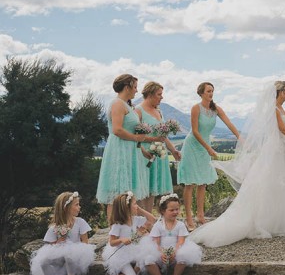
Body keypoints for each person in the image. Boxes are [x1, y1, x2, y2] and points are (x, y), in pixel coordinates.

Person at [188, 81, 285, 247]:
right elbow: (283, 130)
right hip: (275, 149)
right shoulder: (273, 109)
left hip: (283, 148)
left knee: (281, 184)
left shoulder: (281, 108)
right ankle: (268, 221)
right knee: (270, 183)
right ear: (280, 92)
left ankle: (282, 219)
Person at [96, 74, 164, 220]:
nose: (136, 90)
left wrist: (143, 150)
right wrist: (136, 138)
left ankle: (127, 226)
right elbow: (117, 130)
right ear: (127, 87)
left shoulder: (127, 105)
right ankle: (113, 231)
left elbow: (133, 132)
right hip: (119, 150)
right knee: (116, 191)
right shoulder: (117, 104)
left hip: (130, 151)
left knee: (128, 192)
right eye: (134, 87)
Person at [177, 82, 240, 231]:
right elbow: (195, 131)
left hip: (205, 145)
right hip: (193, 145)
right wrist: (209, 148)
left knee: (203, 182)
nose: (211, 93)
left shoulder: (216, 109)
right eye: (208, 91)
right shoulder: (195, 108)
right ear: (201, 94)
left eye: (212, 91)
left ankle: (200, 215)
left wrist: (240, 136)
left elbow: (229, 123)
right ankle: (189, 218)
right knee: (190, 182)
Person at [30, 192, 95, 275]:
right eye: (76, 204)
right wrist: (60, 240)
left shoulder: (80, 222)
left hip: (77, 255)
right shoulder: (55, 226)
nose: (79, 207)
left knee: (69, 255)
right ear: (67, 208)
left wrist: (75, 249)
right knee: (42, 261)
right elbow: (50, 247)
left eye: (79, 204)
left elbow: (85, 243)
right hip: (60, 256)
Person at [136, 81, 181, 212]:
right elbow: (134, 136)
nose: (162, 97)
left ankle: (148, 219)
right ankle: (139, 220)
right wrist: (154, 139)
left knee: (152, 189)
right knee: (142, 187)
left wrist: (173, 150)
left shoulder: (159, 111)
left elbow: (163, 135)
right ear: (150, 94)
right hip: (145, 154)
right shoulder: (138, 111)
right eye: (159, 94)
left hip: (159, 154)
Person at [145, 194, 203, 275]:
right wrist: (161, 253)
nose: (175, 212)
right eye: (172, 210)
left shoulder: (180, 225)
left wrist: (174, 252)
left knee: (184, 256)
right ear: (163, 211)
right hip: (161, 251)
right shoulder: (158, 226)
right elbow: (156, 243)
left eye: (177, 209)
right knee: (148, 260)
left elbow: (180, 241)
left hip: (176, 249)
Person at [100, 191, 157, 275]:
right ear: (126, 208)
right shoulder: (117, 225)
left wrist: (139, 209)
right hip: (121, 254)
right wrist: (121, 239)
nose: (137, 206)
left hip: (134, 250)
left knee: (145, 256)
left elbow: (152, 219)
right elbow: (112, 242)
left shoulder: (135, 219)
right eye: (135, 204)